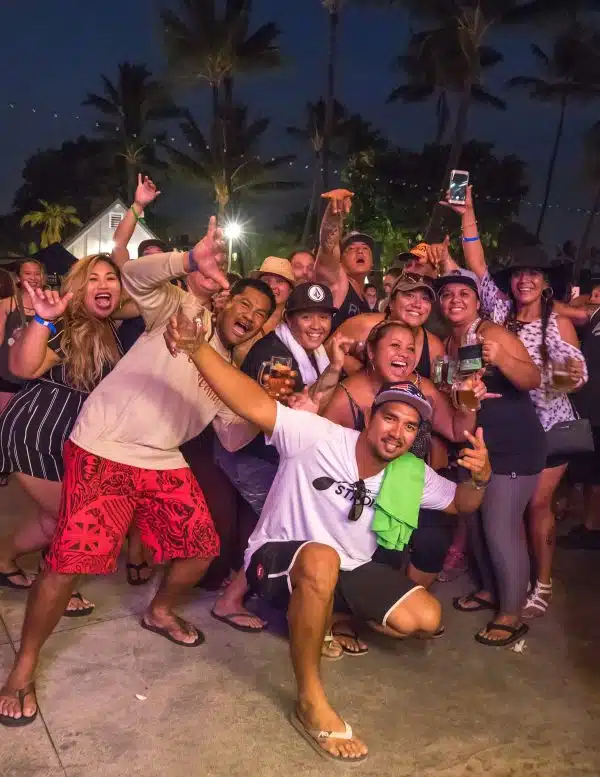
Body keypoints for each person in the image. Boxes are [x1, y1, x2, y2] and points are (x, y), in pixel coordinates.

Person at [0, 220, 271, 727]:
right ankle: (23, 667)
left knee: (201, 547)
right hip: (103, 448)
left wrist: (271, 407)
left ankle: (160, 610)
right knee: (68, 561)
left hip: (162, 458)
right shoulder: (180, 308)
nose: (250, 315)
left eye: (260, 314)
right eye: (244, 303)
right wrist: (187, 261)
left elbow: (234, 436)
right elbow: (138, 276)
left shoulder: (228, 370)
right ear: (224, 300)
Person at [184, 336, 492, 762]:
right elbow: (251, 402)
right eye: (390, 418)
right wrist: (196, 347)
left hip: (345, 569)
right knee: (321, 558)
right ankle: (310, 701)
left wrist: (480, 478)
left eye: (410, 427)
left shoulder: (409, 472)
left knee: (424, 618)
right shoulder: (316, 436)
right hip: (276, 562)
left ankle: (324, 616)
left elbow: (461, 504)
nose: (397, 432)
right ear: (369, 418)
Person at [441, 187, 587, 619]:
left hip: (550, 426)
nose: (525, 280)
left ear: (546, 283)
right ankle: (504, 585)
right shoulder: (500, 311)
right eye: (519, 274)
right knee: (502, 512)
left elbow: (578, 376)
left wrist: (528, 369)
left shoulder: (556, 322)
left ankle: (542, 582)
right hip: (508, 425)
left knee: (536, 508)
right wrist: (467, 214)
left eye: (534, 275)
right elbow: (477, 266)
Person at [210, 282, 345, 631]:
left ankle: (252, 593)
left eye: (323, 317)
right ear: (289, 319)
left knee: (281, 522)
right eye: (307, 317)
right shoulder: (277, 359)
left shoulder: (313, 351)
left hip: (272, 452)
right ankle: (238, 600)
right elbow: (287, 424)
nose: (316, 325)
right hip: (250, 454)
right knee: (287, 524)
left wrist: (334, 366)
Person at [0, 255, 124, 615]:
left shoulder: (109, 325)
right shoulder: (68, 325)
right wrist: (42, 320)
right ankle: (55, 584)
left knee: (53, 519)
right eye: (93, 279)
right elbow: (23, 367)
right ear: (78, 288)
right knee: (73, 518)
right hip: (36, 433)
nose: (103, 285)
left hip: (68, 437)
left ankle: (3, 559)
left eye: (111, 278)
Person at [434, 269, 546, 646]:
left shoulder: (492, 334)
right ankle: (488, 589)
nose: (455, 300)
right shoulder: (449, 343)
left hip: (512, 445)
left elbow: (532, 379)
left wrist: (502, 358)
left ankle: (511, 614)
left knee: (500, 528)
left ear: (477, 302)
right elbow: (452, 393)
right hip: (476, 446)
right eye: (447, 294)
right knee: (477, 526)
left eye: (463, 294)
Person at [329, 272, 444, 378]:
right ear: (391, 303)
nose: (417, 304)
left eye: (425, 298)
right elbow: (323, 352)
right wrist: (349, 364)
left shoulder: (434, 348)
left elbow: (439, 388)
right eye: (409, 295)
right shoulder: (363, 325)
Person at [559, 295, 600, 550]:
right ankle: (588, 524)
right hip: (588, 411)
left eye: (597, 295)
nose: (593, 299)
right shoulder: (594, 320)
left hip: (596, 411)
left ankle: (592, 529)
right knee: (588, 473)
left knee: (595, 477)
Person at [315, 190, 373, 331]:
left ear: (372, 263)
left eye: (365, 248)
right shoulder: (338, 283)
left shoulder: (365, 299)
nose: (359, 251)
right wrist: (334, 214)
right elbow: (328, 248)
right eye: (351, 249)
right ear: (340, 260)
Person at [0, 260, 45, 414]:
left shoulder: (50, 305)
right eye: (28, 273)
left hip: (38, 378)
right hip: (8, 376)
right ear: (18, 278)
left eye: (37, 273)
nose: (33, 277)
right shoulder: (6, 304)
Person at [234, 256, 295, 363]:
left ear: (290, 289)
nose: (272, 286)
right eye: (266, 280)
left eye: (280, 281)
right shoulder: (241, 316)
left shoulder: (295, 325)